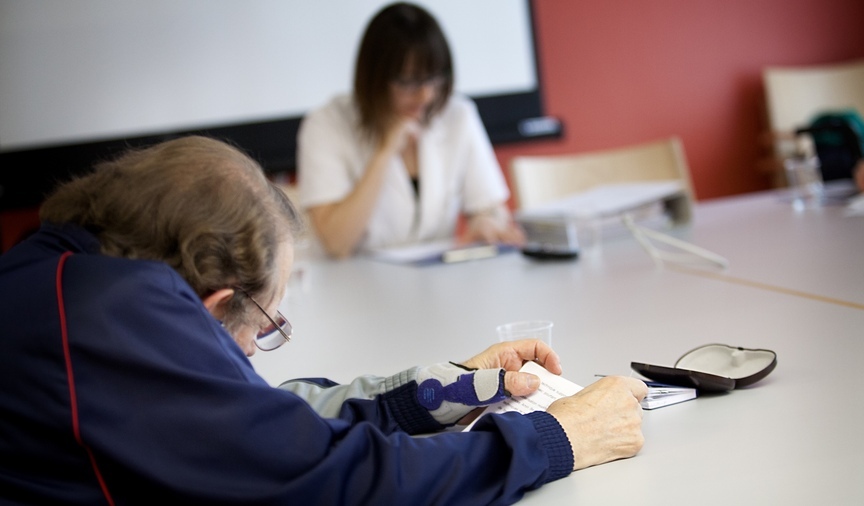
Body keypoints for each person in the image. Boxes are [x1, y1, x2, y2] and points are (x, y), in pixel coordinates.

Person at [0, 135, 647, 504]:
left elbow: (254, 421)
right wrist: (555, 438)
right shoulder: (111, 319)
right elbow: (333, 481)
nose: (252, 354)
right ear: (215, 303)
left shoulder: (57, 275)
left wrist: (435, 392)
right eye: (265, 324)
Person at [297, 2, 525, 258]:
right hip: (353, 279)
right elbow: (336, 243)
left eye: (434, 78)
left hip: (437, 275)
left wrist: (487, 221)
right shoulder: (326, 124)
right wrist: (385, 151)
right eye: (409, 82)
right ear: (374, 78)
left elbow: (490, 207)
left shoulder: (457, 115)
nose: (426, 95)